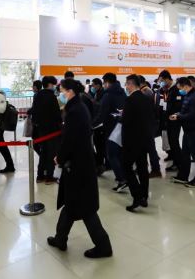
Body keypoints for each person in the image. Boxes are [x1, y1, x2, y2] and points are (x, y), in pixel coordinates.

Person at [47, 78, 112, 259]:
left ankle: (103, 245)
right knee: (72, 204)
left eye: (61, 91)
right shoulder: (78, 106)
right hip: (81, 163)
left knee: (85, 208)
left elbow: (70, 140)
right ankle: (60, 238)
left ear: (70, 92)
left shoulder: (75, 111)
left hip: (78, 166)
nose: (60, 94)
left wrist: (60, 157)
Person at [121, 74, 154, 211]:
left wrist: (120, 116)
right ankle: (144, 196)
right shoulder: (146, 98)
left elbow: (126, 121)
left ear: (131, 84)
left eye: (127, 84)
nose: (126, 87)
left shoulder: (130, 100)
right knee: (142, 168)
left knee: (127, 167)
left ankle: (137, 196)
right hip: (144, 138)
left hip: (132, 140)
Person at [170, 77, 195, 187]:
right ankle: (183, 176)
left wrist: (179, 117)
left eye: (180, 88)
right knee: (185, 154)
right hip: (188, 130)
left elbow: (194, 115)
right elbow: (186, 111)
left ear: (185, 86)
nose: (179, 90)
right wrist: (179, 114)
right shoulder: (188, 95)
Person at [95, 72, 127, 192]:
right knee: (120, 154)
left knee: (111, 155)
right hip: (122, 126)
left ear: (107, 83)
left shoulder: (107, 95)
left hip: (112, 129)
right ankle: (125, 176)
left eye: (104, 83)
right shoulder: (123, 93)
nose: (103, 85)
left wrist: (91, 124)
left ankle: (121, 179)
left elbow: (102, 114)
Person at [30, 76, 62, 184]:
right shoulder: (51, 96)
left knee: (43, 152)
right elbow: (57, 114)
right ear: (50, 84)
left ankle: (40, 176)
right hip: (52, 130)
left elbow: (34, 111)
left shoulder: (38, 95)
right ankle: (49, 177)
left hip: (41, 129)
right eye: (53, 84)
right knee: (51, 154)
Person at [157, 70, 183, 172]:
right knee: (171, 142)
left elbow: (178, 106)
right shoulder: (165, 90)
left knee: (174, 142)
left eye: (162, 81)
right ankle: (175, 161)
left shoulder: (176, 89)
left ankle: (179, 164)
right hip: (166, 120)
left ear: (168, 79)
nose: (161, 83)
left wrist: (172, 115)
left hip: (174, 120)